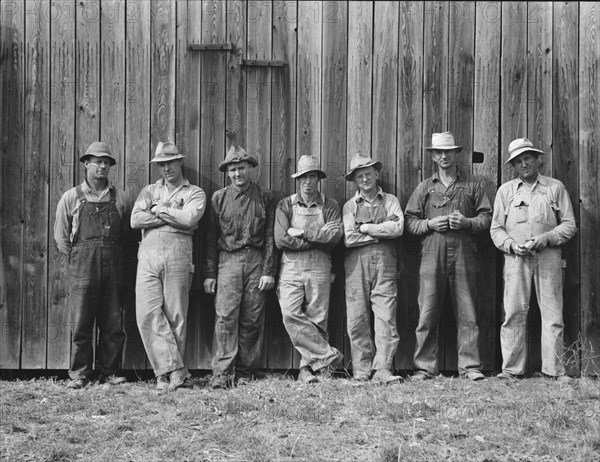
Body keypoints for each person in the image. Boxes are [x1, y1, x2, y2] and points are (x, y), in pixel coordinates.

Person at [405, 132, 491, 382]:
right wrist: (430, 224)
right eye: (439, 153)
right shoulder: (425, 187)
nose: (444, 156)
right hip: (432, 255)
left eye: (449, 152)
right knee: (427, 313)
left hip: (464, 255)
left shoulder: (474, 185)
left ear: (457, 154)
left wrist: (467, 222)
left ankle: (470, 366)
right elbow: (410, 221)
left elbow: (487, 218)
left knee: (468, 313)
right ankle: (424, 368)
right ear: (433, 156)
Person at [490, 138, 576, 382]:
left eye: (528, 158)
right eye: (518, 160)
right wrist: (512, 245)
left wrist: (547, 238)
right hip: (515, 260)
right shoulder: (506, 191)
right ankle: (512, 370)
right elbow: (496, 229)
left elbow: (569, 225)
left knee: (552, 314)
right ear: (514, 166)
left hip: (548, 258)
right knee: (514, 313)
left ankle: (554, 370)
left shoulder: (554, 188)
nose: (524, 163)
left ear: (539, 160)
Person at [131, 142, 206, 392]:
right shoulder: (148, 190)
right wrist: (172, 214)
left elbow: (190, 218)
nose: (165, 168)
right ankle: (173, 369)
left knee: (176, 315)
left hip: (179, 253)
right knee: (146, 312)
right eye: (161, 165)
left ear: (179, 162)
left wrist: (158, 210)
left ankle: (166, 376)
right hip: (148, 253)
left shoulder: (195, 192)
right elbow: (135, 219)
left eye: (169, 163)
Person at [54, 141, 128, 389]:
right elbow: (61, 237)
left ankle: (109, 372)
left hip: (114, 268)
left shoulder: (120, 198)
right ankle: (79, 374)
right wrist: (77, 259)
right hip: (82, 268)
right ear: (86, 164)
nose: (102, 166)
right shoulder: (71, 197)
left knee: (113, 323)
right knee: (81, 323)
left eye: (106, 162)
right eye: (97, 161)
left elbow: (128, 236)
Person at [203, 145, 276, 388]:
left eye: (241, 168)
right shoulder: (218, 198)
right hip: (228, 262)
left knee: (252, 318)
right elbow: (210, 238)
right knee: (225, 317)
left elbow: (269, 238)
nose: (237, 173)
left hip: (256, 261)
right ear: (227, 172)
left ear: (251, 168)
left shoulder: (265, 197)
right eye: (232, 169)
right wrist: (210, 273)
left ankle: (245, 372)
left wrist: (268, 271)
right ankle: (222, 374)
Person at [274, 155, 344, 383]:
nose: (307, 182)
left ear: (318, 179)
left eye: (312, 176)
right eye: (303, 177)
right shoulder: (285, 205)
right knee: (290, 313)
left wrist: (303, 233)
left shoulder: (330, 205)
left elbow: (333, 238)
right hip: (291, 268)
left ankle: (308, 370)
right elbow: (281, 240)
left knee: (318, 318)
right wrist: (318, 238)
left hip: (320, 266)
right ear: (298, 179)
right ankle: (328, 356)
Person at [343, 153, 404, 383]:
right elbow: (349, 238)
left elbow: (398, 228)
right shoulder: (350, 206)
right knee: (357, 317)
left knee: (386, 316)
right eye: (360, 176)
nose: (365, 179)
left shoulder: (391, 201)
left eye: (368, 174)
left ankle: (383, 369)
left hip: (385, 264)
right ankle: (361, 370)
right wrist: (380, 233)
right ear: (355, 180)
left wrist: (367, 228)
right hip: (356, 265)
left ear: (376, 174)